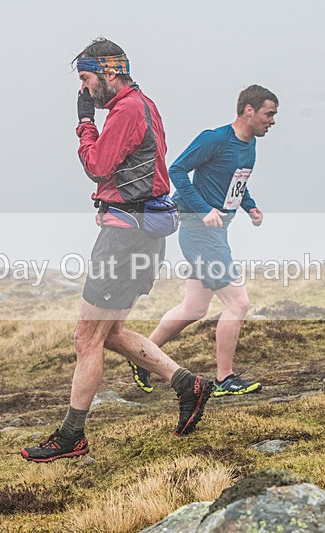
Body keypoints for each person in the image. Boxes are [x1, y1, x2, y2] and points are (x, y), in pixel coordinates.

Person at [21, 38, 214, 463]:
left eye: (87, 80)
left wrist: (84, 123)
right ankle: (187, 383)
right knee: (108, 333)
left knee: (86, 337)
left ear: (110, 72)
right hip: (142, 230)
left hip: (126, 235)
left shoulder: (126, 110)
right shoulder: (144, 104)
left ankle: (72, 437)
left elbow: (97, 166)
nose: (85, 90)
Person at [128, 85, 278, 397]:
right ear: (248, 111)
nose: (272, 121)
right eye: (269, 114)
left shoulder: (249, 145)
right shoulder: (214, 139)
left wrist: (249, 206)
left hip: (215, 232)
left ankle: (144, 356)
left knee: (194, 308)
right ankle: (225, 378)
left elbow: (236, 182)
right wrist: (202, 209)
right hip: (200, 231)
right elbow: (177, 171)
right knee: (239, 303)